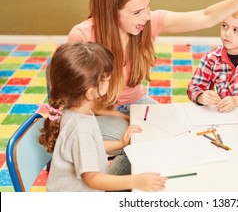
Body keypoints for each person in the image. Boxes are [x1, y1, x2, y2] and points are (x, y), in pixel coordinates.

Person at [67, 0, 238, 175]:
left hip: (135, 103)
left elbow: (206, 16)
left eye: (148, 7)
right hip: (95, 112)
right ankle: (109, 192)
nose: (147, 16)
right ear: (111, 12)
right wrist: (125, 116)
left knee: (174, 135)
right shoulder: (81, 37)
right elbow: (77, 102)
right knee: (139, 140)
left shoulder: (146, 24)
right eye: (138, 11)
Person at [39, 42, 166, 192]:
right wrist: (136, 181)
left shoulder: (75, 110)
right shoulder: (80, 129)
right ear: (90, 92)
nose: (111, 81)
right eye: (106, 79)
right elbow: (93, 180)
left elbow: (91, 147)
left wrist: (120, 143)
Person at [187, 1, 238, 112]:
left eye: (235, 30)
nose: (227, 33)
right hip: (220, 115)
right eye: (224, 26)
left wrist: (236, 101)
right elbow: (193, 87)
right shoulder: (211, 58)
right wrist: (201, 96)